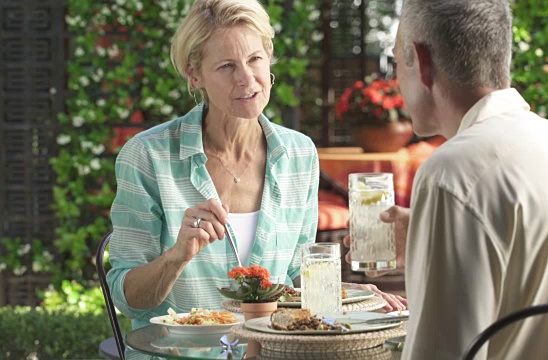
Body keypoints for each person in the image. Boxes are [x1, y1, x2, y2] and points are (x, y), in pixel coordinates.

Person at [106, 0, 405, 341]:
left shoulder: (298, 154)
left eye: (254, 59)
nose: (247, 80)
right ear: (194, 74)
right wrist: (176, 257)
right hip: (181, 352)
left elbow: (293, 279)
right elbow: (128, 300)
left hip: (271, 350)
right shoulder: (147, 156)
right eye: (227, 66)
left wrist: (354, 296)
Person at [346, 0, 548, 359]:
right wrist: (424, 237)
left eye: (398, 63)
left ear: (422, 63)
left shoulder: (452, 173)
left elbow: (441, 351)